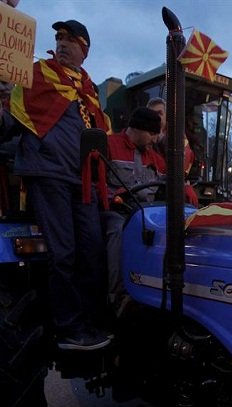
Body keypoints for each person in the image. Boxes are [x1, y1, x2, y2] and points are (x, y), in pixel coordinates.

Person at [0, 20, 111, 350]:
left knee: (92, 250)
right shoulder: (35, 75)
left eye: (69, 39)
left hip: (84, 181)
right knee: (62, 254)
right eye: (58, 38)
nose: (61, 44)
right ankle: (68, 328)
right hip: (48, 176)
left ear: (84, 49)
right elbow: (10, 123)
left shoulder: (89, 91)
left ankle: (92, 321)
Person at [102, 107, 164, 306]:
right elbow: (93, 182)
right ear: (137, 129)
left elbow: (169, 177)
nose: (155, 139)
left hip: (147, 212)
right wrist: (113, 196)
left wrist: (183, 186)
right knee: (119, 231)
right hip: (116, 210)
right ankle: (117, 294)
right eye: (152, 133)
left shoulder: (154, 157)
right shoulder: (109, 146)